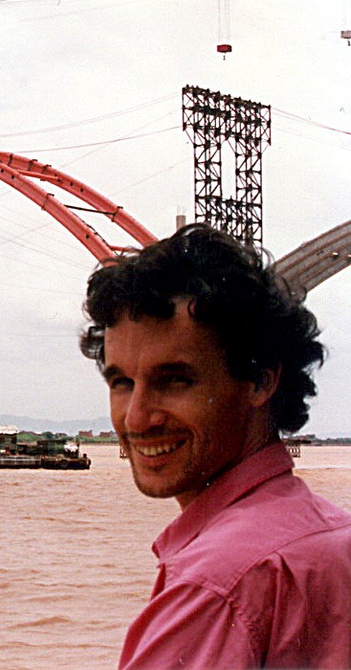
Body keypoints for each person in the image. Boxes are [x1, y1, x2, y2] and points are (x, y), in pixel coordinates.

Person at [79, 223, 351, 669]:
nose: (136, 419)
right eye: (122, 383)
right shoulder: (332, 536)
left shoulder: (216, 585)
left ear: (260, 379)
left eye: (175, 381)